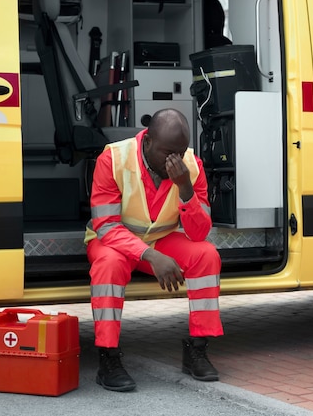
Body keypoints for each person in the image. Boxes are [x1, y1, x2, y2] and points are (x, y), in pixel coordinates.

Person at [84, 108, 224, 392]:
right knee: (109, 264)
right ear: (147, 141)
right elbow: (106, 225)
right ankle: (108, 357)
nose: (174, 160)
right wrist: (150, 255)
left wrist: (185, 188)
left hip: (161, 239)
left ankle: (197, 348)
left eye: (180, 152)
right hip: (114, 240)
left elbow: (199, 233)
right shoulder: (113, 158)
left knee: (207, 255)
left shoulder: (191, 167)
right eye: (166, 152)